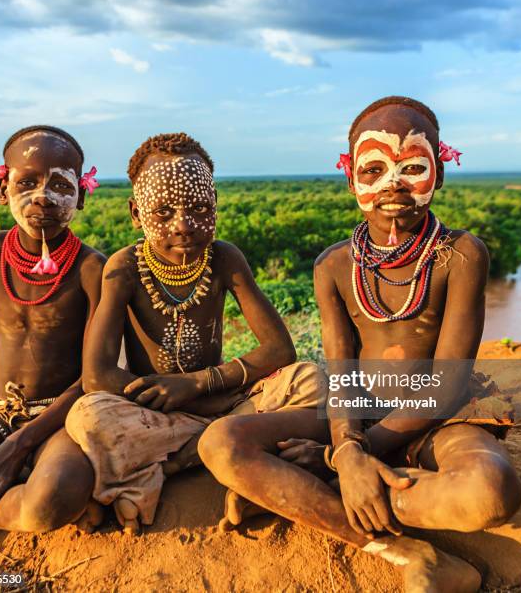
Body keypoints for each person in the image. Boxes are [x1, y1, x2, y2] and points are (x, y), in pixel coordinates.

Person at [198, 97, 521, 592]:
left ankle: (308, 494)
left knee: (492, 490)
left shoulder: (460, 254)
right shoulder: (334, 265)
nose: (393, 183)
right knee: (221, 442)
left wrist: (349, 458)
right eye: (375, 168)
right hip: (359, 411)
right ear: (351, 180)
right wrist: (348, 446)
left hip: (442, 416)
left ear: (440, 173)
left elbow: (448, 385)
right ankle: (410, 552)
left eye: (412, 167)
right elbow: (341, 371)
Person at [65, 133, 326, 534]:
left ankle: (170, 465)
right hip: (157, 411)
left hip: (223, 401)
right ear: (136, 213)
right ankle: (217, 451)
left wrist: (197, 385)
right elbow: (98, 375)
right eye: (164, 212)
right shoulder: (123, 268)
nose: (184, 225)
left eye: (200, 208)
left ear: (216, 205)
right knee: (89, 417)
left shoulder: (224, 258)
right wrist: (168, 396)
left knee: (312, 379)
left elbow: (280, 349)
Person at [0, 125, 105, 532]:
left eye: (61, 184)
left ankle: (13, 494)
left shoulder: (93, 269)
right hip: (4, 414)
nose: (44, 196)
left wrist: (14, 448)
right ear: (3, 190)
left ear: (82, 196)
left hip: (62, 419)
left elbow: (94, 377)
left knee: (53, 496)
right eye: (27, 182)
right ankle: (6, 497)